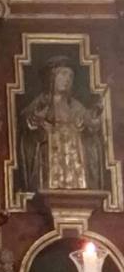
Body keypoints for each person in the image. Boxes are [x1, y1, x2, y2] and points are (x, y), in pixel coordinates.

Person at [19, 56, 104, 193]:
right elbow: (28, 125)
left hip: (74, 160)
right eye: (63, 74)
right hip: (50, 157)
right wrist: (39, 123)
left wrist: (92, 120)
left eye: (70, 76)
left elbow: (89, 124)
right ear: (52, 77)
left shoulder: (75, 105)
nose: (67, 79)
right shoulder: (41, 103)